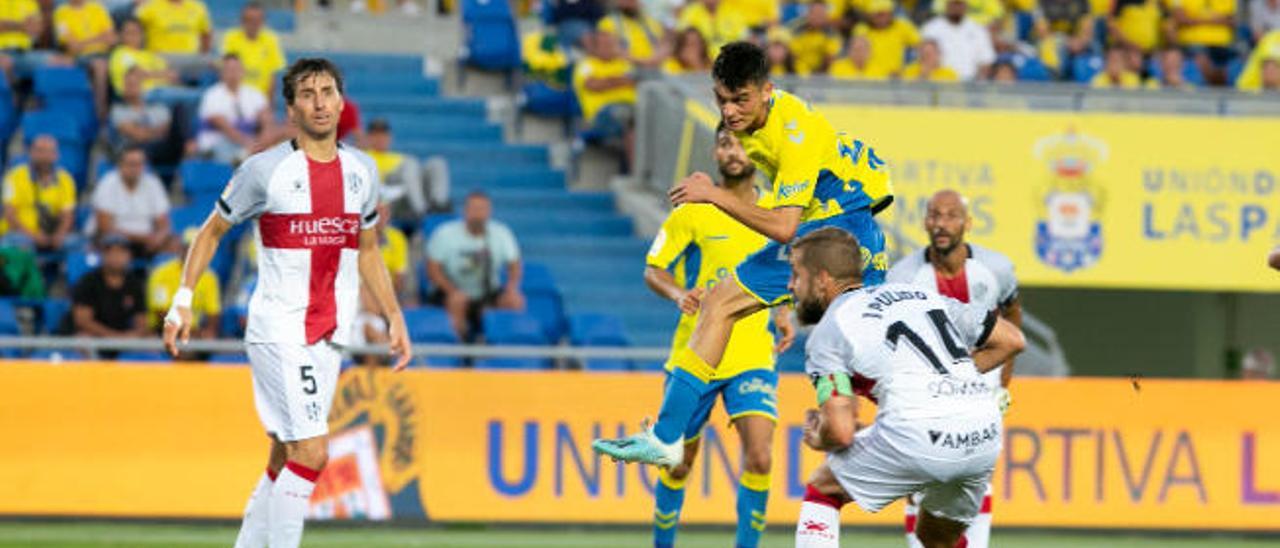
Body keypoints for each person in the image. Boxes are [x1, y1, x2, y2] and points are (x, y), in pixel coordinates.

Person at [593, 41, 893, 467]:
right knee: (719, 304)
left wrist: (713, 195)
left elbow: (785, 227)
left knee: (870, 350)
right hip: (819, 225)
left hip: (846, 229)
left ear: (766, 90)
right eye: (721, 99)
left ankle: (945, 401)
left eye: (740, 99)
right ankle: (665, 438)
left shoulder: (795, 135)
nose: (729, 111)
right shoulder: (752, 126)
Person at [161, 57, 411, 548]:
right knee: (312, 453)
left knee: (284, 455)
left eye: (328, 92)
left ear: (342, 102)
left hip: (329, 333)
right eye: (308, 95)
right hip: (279, 327)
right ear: (291, 109)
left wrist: (394, 315)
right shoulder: (264, 170)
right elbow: (210, 233)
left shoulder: (363, 171)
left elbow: (366, 248)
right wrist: (183, 301)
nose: (320, 103)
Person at [787, 226, 1025, 548]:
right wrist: (952, 378)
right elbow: (1012, 340)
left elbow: (841, 433)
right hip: (983, 431)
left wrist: (821, 435)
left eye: (795, 276)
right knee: (935, 539)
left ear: (822, 280)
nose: (790, 287)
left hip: (919, 434)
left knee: (823, 490)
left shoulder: (831, 331)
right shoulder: (921, 296)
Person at [644, 125, 795, 548]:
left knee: (761, 455)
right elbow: (653, 269)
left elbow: (777, 273)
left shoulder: (776, 212)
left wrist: (783, 314)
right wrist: (678, 293)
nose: (733, 151)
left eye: (741, 143)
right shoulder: (692, 209)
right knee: (677, 462)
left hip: (752, 353)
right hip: (697, 355)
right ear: (715, 151)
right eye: (725, 142)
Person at [886, 190, 1022, 548]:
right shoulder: (904, 275)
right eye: (934, 215)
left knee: (976, 472)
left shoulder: (996, 270)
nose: (941, 224)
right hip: (928, 386)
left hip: (982, 383)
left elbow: (1013, 319)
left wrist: (1003, 385)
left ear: (967, 223)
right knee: (919, 475)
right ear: (925, 221)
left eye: (950, 216)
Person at [425, 190, 525, 340]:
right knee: (457, 301)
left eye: (482, 209)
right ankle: (458, 348)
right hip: (451, 290)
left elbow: (514, 265)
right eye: (474, 209)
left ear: (489, 212)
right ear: (465, 211)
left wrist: (511, 288)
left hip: (488, 292)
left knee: (515, 300)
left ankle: (506, 347)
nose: (478, 214)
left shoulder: (501, 233)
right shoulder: (445, 234)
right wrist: (452, 290)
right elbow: (433, 269)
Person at [90, 146, 171, 258]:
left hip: (147, 242)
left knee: (174, 245)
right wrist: (142, 238)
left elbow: (163, 223)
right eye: (131, 164)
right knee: (114, 247)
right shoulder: (107, 184)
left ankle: (163, 275)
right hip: (116, 240)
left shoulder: (153, 183)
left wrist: (158, 238)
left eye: (139, 164)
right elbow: (105, 227)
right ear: (120, 165)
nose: (135, 169)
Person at [196, 53, 278, 164]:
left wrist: (263, 140)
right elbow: (226, 128)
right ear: (221, 73)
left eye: (236, 69)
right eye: (229, 69)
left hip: (250, 143)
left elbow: (267, 120)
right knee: (230, 152)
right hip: (218, 143)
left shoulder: (255, 94)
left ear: (243, 71)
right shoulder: (212, 95)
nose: (233, 73)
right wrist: (250, 144)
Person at [0, 135, 77, 252]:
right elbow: (10, 216)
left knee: (79, 244)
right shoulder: (14, 177)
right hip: (19, 234)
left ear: (56, 155)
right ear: (31, 153)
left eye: (49, 152)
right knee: (19, 244)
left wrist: (59, 235)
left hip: (51, 234)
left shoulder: (66, 179)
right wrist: (33, 236)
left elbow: (67, 215)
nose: (44, 157)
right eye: (40, 151)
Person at [71, 233, 150, 342]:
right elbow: (83, 321)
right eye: (110, 252)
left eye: (121, 252)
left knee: (151, 340)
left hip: (125, 337)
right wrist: (113, 337)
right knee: (83, 340)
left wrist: (132, 335)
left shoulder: (135, 284)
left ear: (129, 256)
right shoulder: (88, 282)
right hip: (96, 337)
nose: (116, 256)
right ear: (102, 255)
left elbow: (142, 321)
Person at [147, 228, 218, 339]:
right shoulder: (160, 274)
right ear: (181, 249)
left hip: (195, 333)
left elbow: (213, 312)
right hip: (163, 331)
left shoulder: (209, 277)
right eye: (189, 247)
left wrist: (207, 332)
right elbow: (160, 312)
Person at [52, 0, 115, 118]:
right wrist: (99, 38)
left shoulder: (98, 9)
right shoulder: (61, 13)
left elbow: (111, 39)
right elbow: (72, 47)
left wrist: (82, 42)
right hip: (79, 58)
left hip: (104, 54)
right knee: (100, 66)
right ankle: (100, 111)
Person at [364, 118, 436, 219]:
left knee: (436, 163)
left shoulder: (401, 158)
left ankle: (438, 206)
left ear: (390, 137)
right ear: (369, 137)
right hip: (383, 201)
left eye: (384, 135)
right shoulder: (363, 157)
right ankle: (423, 213)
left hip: (406, 200)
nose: (380, 138)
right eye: (376, 135)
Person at [220, 2, 286, 104]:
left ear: (263, 21)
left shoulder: (271, 40)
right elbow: (226, 70)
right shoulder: (231, 37)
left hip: (261, 98)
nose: (253, 24)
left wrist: (267, 104)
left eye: (257, 20)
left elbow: (272, 77)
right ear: (242, 21)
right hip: (236, 97)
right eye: (249, 20)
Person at [109, 66, 176, 162]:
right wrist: (154, 132)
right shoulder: (118, 110)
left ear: (142, 86)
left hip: (160, 150)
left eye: (134, 84)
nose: (131, 87)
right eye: (128, 84)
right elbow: (138, 136)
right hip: (130, 151)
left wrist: (143, 131)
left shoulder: (157, 107)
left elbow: (166, 131)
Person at [921, 0, 997, 81]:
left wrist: (979, 85)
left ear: (966, 6)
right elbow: (922, 58)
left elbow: (986, 61)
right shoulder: (931, 28)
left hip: (970, 83)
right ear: (947, 5)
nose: (956, 8)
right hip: (939, 82)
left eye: (959, 4)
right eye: (954, 4)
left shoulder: (978, 29)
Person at [108, 17, 176, 95]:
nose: (134, 36)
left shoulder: (148, 55)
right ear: (121, 36)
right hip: (140, 95)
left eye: (137, 32)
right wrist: (161, 75)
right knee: (191, 98)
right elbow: (137, 73)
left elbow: (170, 73)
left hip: (163, 90)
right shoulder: (120, 53)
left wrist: (156, 75)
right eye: (130, 33)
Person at [855, 0, 921, 79]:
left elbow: (921, 47)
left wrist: (906, 70)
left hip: (894, 77)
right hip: (870, 77)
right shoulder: (862, 29)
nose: (881, 18)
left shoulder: (901, 27)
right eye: (878, 14)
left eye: (884, 14)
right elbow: (855, 55)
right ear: (871, 15)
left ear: (890, 14)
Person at [597, 0, 668, 70]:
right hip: (628, 70)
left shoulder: (652, 22)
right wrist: (643, 62)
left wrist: (655, 59)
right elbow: (613, 50)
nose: (630, 2)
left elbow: (664, 44)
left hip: (656, 66)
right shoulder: (608, 23)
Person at [135, 0, 210, 55]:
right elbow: (133, 30)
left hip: (189, 59)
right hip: (159, 60)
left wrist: (201, 56)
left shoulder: (197, 7)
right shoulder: (151, 6)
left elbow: (206, 34)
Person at [789, 1, 841, 75]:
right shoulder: (798, 31)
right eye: (814, 13)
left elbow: (830, 56)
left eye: (820, 14)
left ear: (826, 16)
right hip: (799, 74)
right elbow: (795, 56)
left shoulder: (831, 33)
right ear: (808, 14)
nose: (817, 17)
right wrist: (806, 74)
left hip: (823, 74)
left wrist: (817, 77)